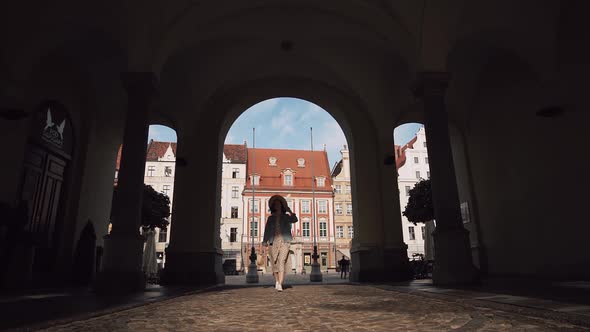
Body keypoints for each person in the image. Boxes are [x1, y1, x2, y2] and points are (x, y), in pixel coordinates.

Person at [262, 195, 298, 292]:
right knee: (275, 263)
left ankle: (280, 284)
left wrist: (289, 211)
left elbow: (295, 219)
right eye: (276, 204)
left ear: (282, 206)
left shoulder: (286, 217)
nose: (277, 205)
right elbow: (267, 230)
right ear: (273, 206)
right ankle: (277, 281)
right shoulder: (270, 218)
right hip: (273, 241)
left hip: (285, 241)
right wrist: (264, 241)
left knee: (282, 261)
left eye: (279, 204)